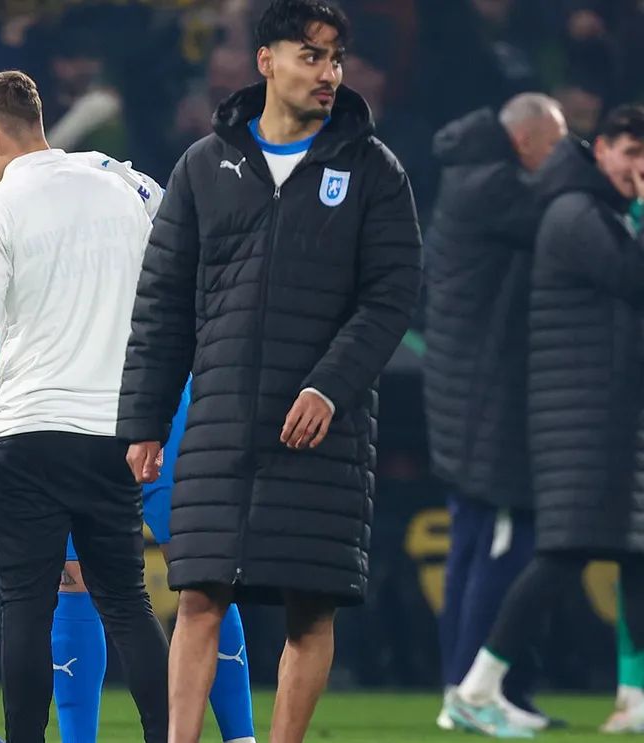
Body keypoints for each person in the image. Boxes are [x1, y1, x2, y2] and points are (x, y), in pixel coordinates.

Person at [0, 132, 256, 743]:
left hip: (157, 406)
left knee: (199, 573)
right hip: (67, 428)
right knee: (73, 581)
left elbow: (195, 256)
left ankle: (240, 739)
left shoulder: (103, 183)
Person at [116, 1, 422, 741]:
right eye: (312, 55)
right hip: (219, 419)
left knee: (310, 604)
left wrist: (330, 385)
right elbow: (162, 303)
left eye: (336, 57)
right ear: (267, 61)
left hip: (323, 428)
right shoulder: (202, 165)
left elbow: (393, 296)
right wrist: (145, 421)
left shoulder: (372, 169)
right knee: (198, 595)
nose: (330, 72)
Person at [0, 70, 171, 743]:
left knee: (26, 606)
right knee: (128, 602)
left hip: (29, 435)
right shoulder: (120, 191)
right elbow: (155, 313)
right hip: (112, 431)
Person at [446, 105, 644, 738]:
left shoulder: (595, 211)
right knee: (559, 557)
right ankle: (476, 687)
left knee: (634, 557)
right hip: (579, 416)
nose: (639, 169)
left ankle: (634, 699)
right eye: (630, 154)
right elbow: (633, 279)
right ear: (602, 150)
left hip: (606, 412)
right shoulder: (574, 213)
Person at [423, 93, 567, 733]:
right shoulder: (497, 187)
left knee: (477, 542)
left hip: (469, 394)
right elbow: (564, 214)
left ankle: (469, 686)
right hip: (494, 402)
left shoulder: (472, 176)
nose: (562, 160)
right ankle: (476, 690)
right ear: (529, 141)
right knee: (507, 544)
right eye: (558, 145)